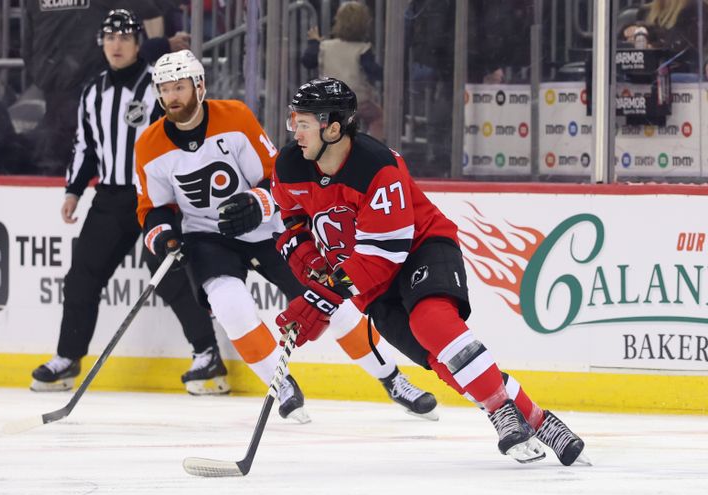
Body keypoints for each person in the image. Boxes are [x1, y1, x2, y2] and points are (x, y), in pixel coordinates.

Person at [271, 77, 589, 466]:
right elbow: (290, 224)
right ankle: (538, 419)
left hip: (420, 249)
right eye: (293, 121)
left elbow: (382, 256)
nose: (294, 131)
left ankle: (499, 411)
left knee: (432, 323)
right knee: (442, 360)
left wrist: (323, 296)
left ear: (333, 128)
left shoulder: (377, 167)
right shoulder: (288, 166)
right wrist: (312, 266)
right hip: (371, 283)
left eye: (303, 122)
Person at [135, 50, 439, 423]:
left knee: (333, 303)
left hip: (265, 230)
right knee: (230, 306)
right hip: (206, 238)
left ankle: (392, 378)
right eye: (165, 89)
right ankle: (280, 385)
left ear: (199, 85)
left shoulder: (235, 117)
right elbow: (152, 207)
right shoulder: (148, 144)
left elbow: (276, 176)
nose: (173, 97)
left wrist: (257, 201)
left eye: (179, 86)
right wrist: (164, 235)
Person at [30, 10, 223, 396]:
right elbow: (85, 147)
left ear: (138, 43)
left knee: (169, 274)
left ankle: (207, 355)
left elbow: (179, 139)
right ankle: (68, 358)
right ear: (101, 42)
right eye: (109, 37)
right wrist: (74, 190)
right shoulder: (92, 90)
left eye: (124, 37)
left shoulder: (158, 88)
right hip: (111, 198)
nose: (116, 44)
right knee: (82, 277)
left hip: (155, 199)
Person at [21, 1, 163, 175]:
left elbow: (27, 48)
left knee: (59, 162)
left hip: (62, 90)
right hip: (87, 88)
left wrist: (44, 77)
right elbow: (150, 10)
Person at [301, 1, 383, 140]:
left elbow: (308, 61)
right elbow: (375, 72)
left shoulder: (325, 46)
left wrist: (314, 42)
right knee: (378, 117)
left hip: (329, 102)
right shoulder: (363, 49)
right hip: (358, 102)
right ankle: (377, 146)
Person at [620, 0, 708, 75]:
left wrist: (652, 44)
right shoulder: (645, 12)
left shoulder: (697, 10)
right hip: (646, 80)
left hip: (683, 77)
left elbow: (681, 45)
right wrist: (630, 33)